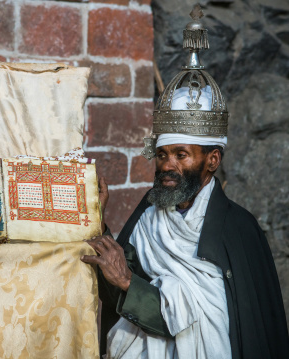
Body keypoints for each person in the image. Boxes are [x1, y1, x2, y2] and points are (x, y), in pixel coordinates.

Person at [81, 6, 289, 358]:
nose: (168, 166)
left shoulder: (239, 230)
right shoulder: (150, 213)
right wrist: (96, 218)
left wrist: (129, 283)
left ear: (212, 160)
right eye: (162, 155)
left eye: (181, 155)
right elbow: (121, 296)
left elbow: (230, 326)